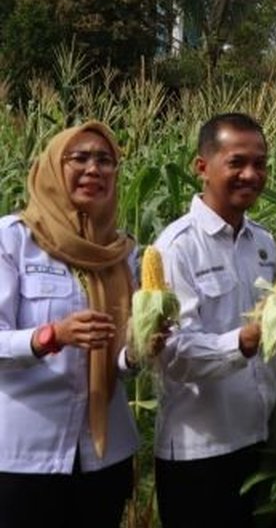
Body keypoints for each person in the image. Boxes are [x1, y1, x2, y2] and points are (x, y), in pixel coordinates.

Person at [152, 113, 276, 528]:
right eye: (236, 162)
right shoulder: (175, 248)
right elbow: (172, 352)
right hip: (200, 454)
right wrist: (245, 341)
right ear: (201, 166)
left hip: (260, 443)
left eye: (260, 163)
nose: (251, 174)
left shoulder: (264, 243)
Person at [0, 122, 146, 527]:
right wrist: (51, 336)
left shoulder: (120, 253)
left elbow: (118, 362)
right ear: (50, 166)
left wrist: (137, 352)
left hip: (105, 456)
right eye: (78, 158)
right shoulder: (12, 240)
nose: (94, 169)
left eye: (105, 161)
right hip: (27, 457)